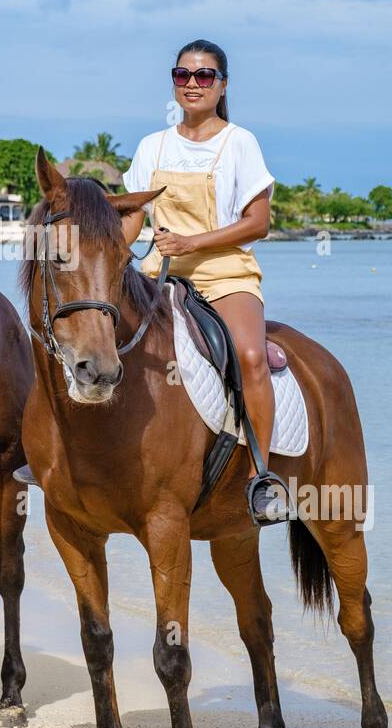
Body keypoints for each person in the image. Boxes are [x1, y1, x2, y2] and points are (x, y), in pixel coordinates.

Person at [120, 39, 290, 523]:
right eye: (182, 75)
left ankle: (263, 475)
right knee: (94, 333)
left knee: (251, 357)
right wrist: (114, 249)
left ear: (222, 85)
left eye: (204, 76)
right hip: (159, 272)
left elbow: (259, 222)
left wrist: (194, 244)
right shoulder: (151, 145)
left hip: (224, 273)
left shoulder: (240, 142)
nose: (192, 84)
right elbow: (135, 217)